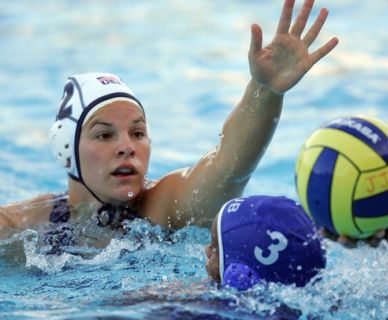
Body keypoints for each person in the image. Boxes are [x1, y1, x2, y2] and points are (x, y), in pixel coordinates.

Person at [0, 0, 339, 244]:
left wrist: (264, 91)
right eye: (104, 135)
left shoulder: (163, 206)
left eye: (138, 132)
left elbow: (228, 168)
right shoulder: (26, 225)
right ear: (66, 149)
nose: (127, 147)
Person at [205, 196, 388, 302]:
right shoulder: (334, 304)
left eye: (216, 248)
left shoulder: (197, 305)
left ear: (238, 275)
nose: (206, 251)